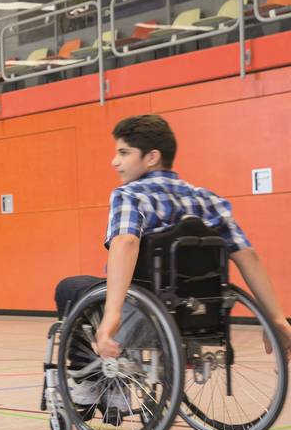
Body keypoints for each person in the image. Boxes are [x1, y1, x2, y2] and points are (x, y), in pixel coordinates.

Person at [55, 114, 291, 407]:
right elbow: (248, 256)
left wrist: (112, 315)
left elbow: (126, 242)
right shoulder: (208, 200)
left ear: (152, 157)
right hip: (198, 317)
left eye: (123, 152)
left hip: (140, 315)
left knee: (70, 288)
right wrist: (277, 319)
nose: (114, 161)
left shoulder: (130, 195)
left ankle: (96, 385)